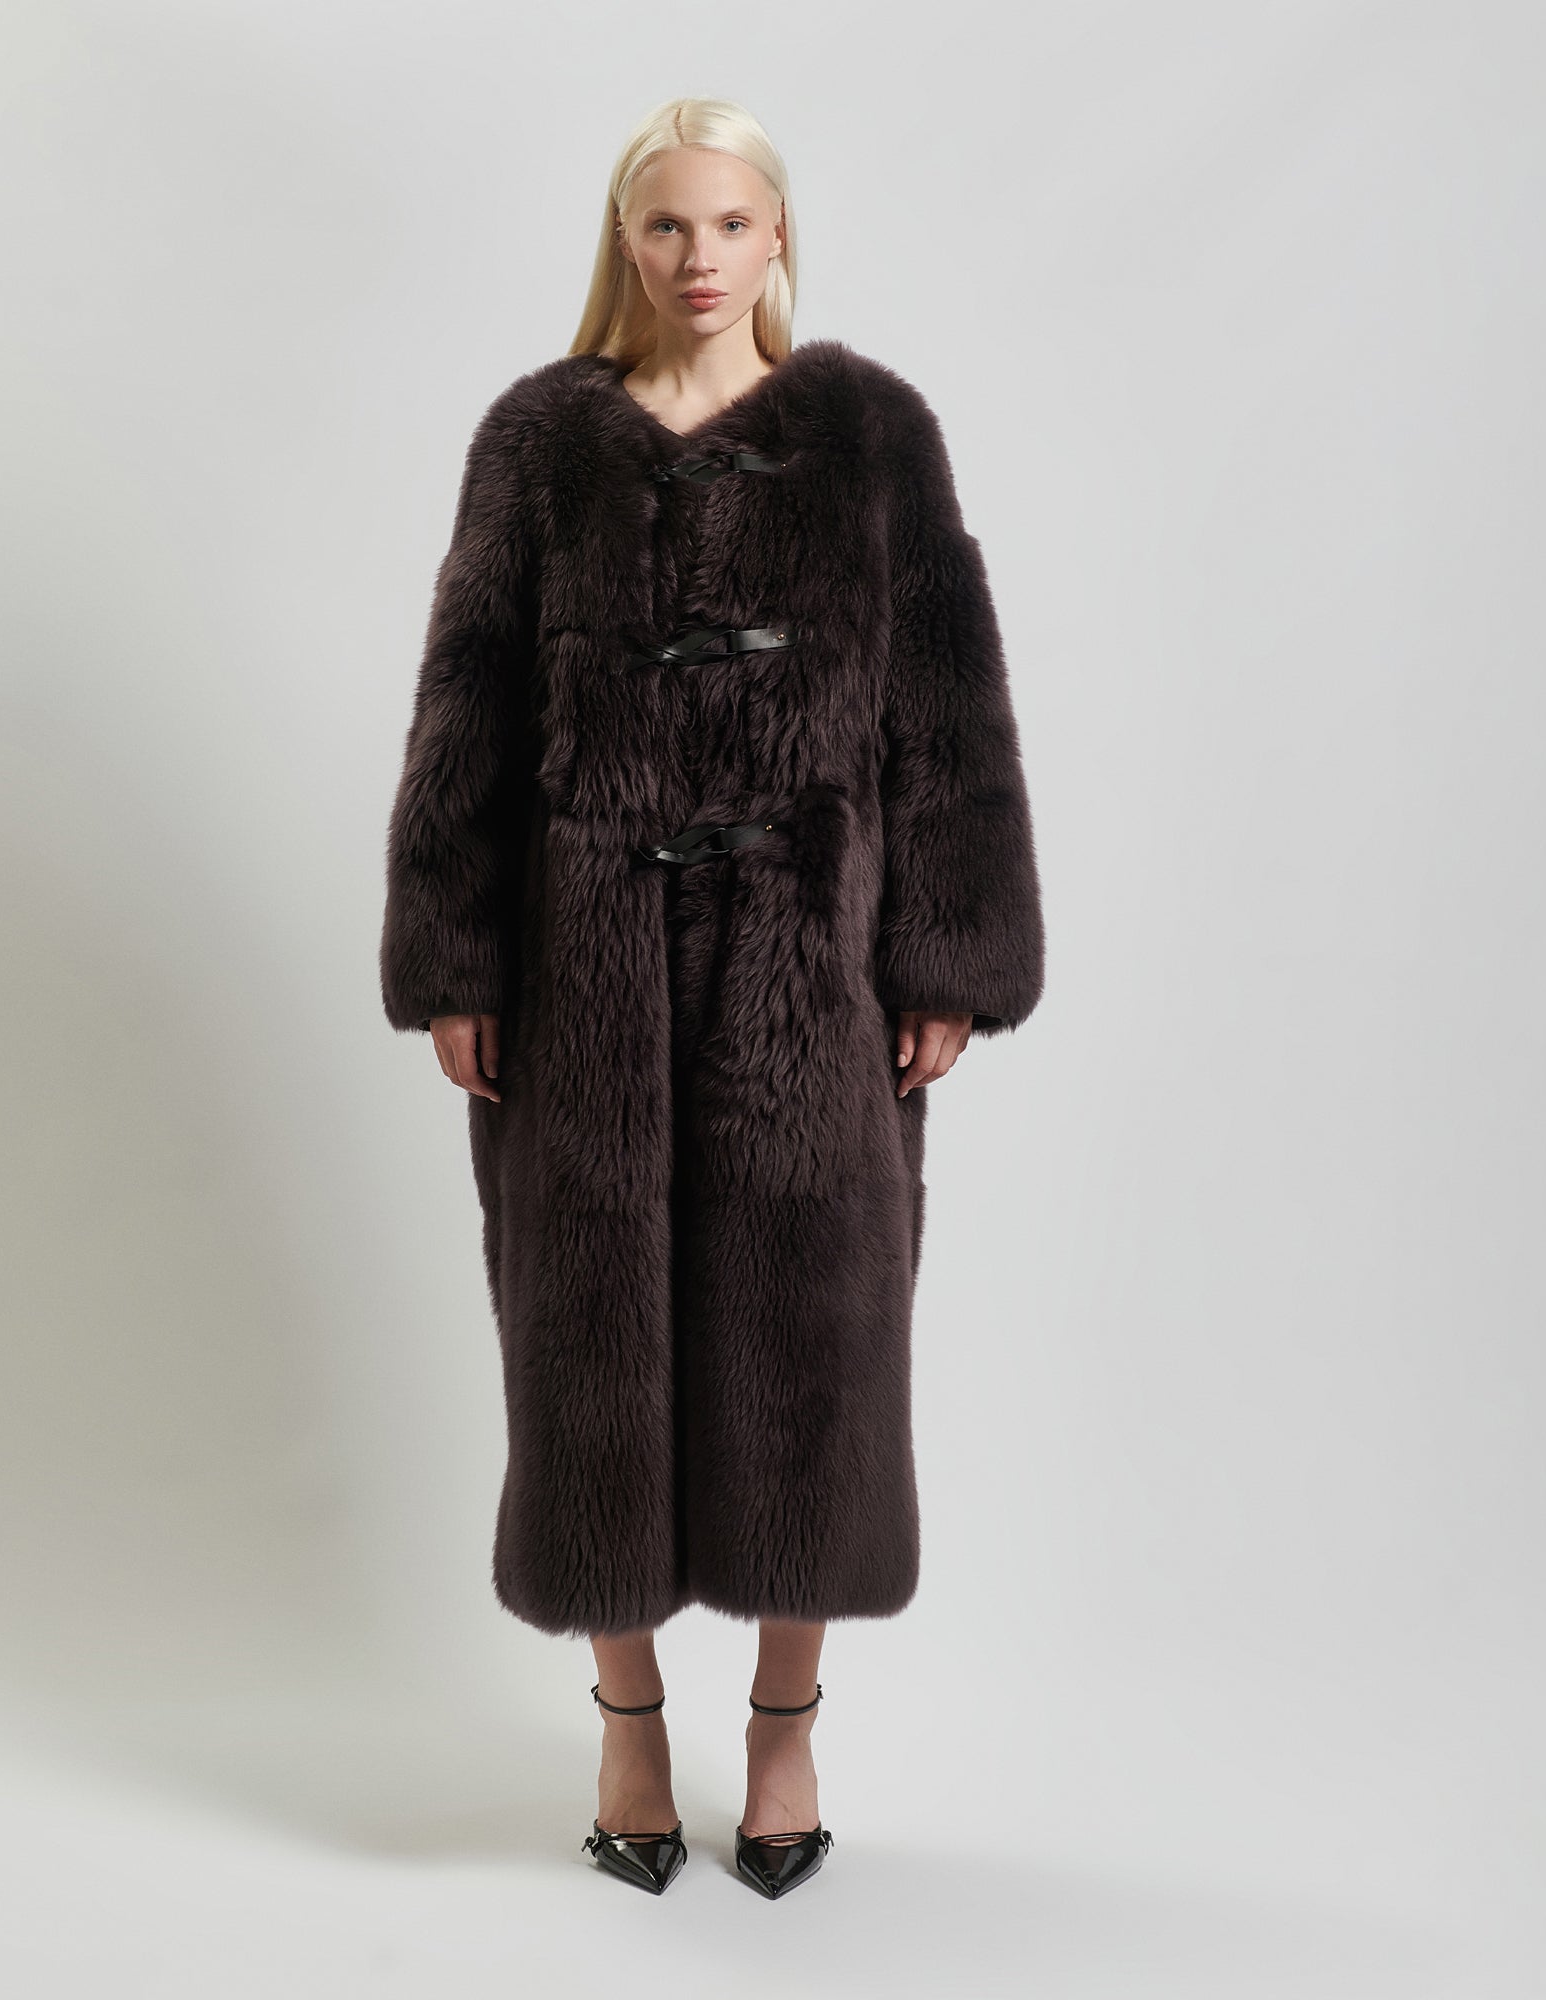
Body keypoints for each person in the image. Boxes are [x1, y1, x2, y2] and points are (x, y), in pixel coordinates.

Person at [379, 96, 1046, 1898]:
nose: (700, 258)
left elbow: (948, 707)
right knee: (584, 1339)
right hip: (579, 963)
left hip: (807, 969)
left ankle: (782, 1727)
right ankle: (624, 1723)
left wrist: (949, 954)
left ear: (779, 236)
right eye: (668, 225)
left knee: (816, 1345)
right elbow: (465, 702)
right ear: (629, 239)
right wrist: (455, 957)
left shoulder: (870, 436)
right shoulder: (541, 442)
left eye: (732, 223)